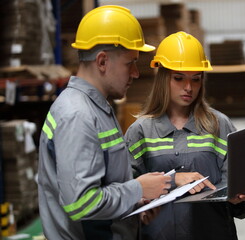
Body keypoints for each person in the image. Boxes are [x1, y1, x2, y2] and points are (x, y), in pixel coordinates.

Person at [37, 5, 171, 239]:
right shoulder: (77, 116)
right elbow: (81, 203)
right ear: (102, 62)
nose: (136, 73)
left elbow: (104, 183)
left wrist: (134, 204)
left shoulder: (96, 108)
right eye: (130, 63)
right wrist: (138, 188)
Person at [124, 31, 245, 240]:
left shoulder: (218, 126)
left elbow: (235, 192)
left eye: (195, 79)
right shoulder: (141, 131)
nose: (188, 87)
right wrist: (171, 181)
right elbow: (126, 193)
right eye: (179, 78)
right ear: (162, 78)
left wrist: (239, 197)